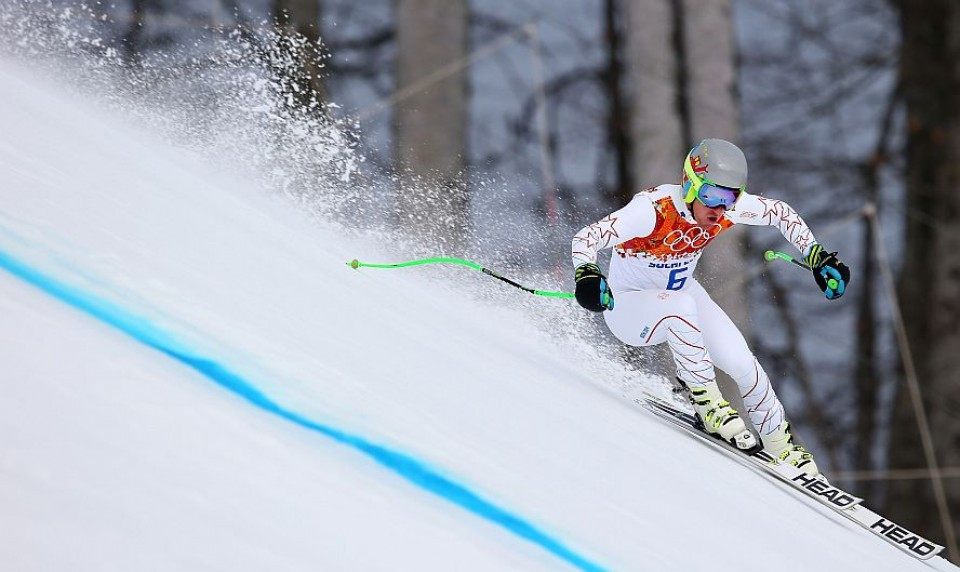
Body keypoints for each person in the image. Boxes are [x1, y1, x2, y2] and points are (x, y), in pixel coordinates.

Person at [571, 138, 849, 476]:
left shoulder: (726, 211)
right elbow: (587, 238)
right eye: (711, 195)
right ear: (690, 185)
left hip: (681, 296)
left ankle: (781, 445)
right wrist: (587, 274)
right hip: (628, 307)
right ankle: (707, 402)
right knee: (681, 305)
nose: (718, 208)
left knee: (743, 364)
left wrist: (817, 256)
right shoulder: (653, 209)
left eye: (729, 198)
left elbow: (780, 213)